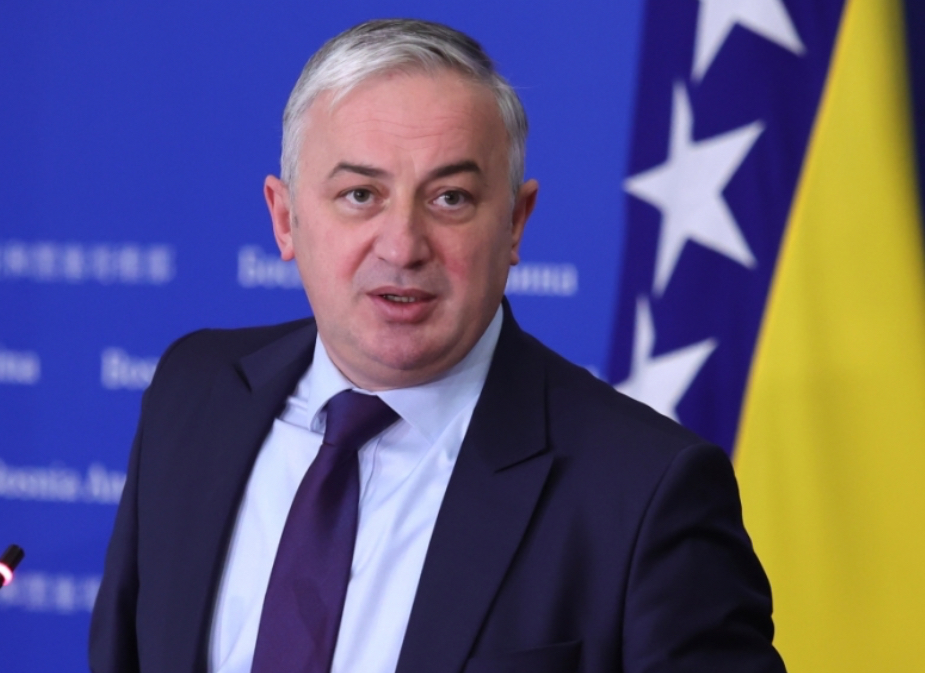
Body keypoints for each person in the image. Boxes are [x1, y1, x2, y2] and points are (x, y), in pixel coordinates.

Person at [89, 18, 786, 673]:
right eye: (360, 194)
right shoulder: (193, 392)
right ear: (285, 218)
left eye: (449, 198)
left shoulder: (644, 492)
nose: (402, 246)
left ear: (514, 223)